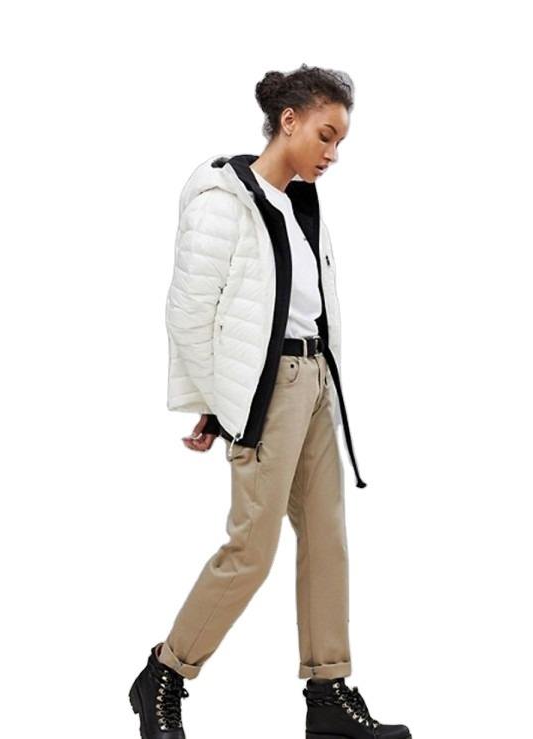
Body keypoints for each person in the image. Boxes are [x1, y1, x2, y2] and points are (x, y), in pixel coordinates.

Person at [128, 64, 411, 739]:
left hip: (316, 383)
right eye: (325, 135)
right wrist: (215, 400)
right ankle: (164, 673)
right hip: (269, 389)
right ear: (288, 120)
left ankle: (328, 691)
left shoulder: (300, 204)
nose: (332, 153)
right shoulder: (225, 199)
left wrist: (321, 383)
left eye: (340, 141)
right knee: (251, 549)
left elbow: (303, 306)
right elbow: (189, 312)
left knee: (327, 541)